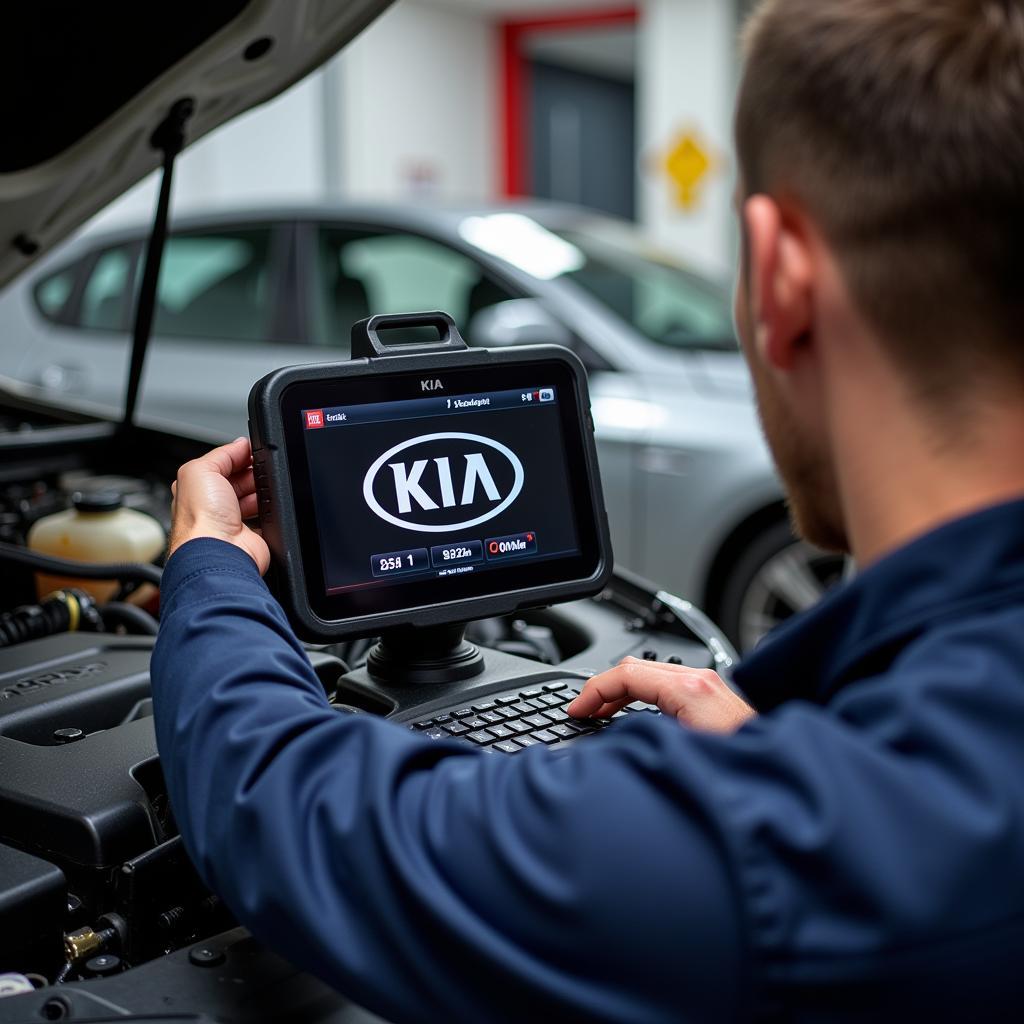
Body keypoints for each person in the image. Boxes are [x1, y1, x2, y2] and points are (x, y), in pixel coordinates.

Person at [151, 0, 1024, 1019]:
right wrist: (765, 749)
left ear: (778, 275)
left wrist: (209, 564)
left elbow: (290, 816)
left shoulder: (811, 840)